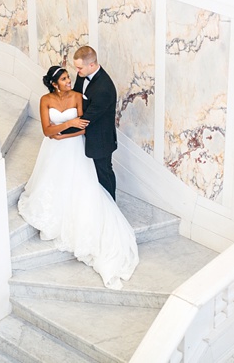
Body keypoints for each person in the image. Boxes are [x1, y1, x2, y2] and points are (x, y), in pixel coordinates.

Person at [17, 65, 138, 290]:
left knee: (82, 185)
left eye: (68, 77)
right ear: (54, 84)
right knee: (53, 182)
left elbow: (84, 127)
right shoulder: (45, 100)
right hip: (54, 149)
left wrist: (64, 130)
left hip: (72, 146)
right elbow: (46, 130)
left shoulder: (76, 97)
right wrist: (66, 125)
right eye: (64, 79)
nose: (69, 81)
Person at [65, 46, 118, 200]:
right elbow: (76, 95)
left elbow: (85, 120)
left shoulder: (104, 89)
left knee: (103, 173)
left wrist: (61, 129)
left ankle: (111, 206)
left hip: (100, 138)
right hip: (85, 134)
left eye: (79, 67)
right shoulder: (83, 74)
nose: (77, 71)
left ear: (92, 65)